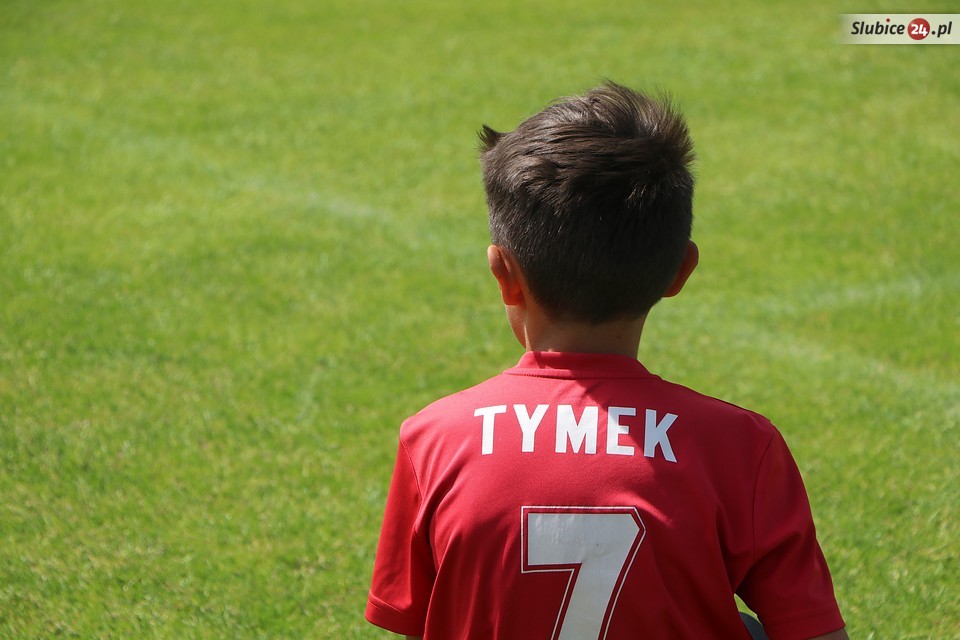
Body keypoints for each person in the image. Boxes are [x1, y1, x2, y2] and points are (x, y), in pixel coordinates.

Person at [365, 82, 848, 640]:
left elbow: (422, 623)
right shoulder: (741, 445)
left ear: (504, 274)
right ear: (680, 272)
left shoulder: (434, 438)